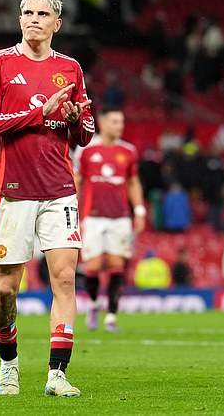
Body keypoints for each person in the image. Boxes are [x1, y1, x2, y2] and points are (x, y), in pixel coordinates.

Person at [0, 0, 95, 397]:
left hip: (60, 189)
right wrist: (38, 114)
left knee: (64, 278)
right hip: (13, 191)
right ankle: (8, 363)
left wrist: (77, 120)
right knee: (6, 289)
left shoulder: (72, 69)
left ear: (57, 24)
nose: (33, 19)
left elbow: (86, 134)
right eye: (27, 12)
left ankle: (56, 374)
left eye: (42, 14)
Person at [74, 107, 145, 333]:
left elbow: (133, 182)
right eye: (115, 121)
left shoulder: (129, 151)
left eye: (121, 122)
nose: (119, 126)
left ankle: (111, 317)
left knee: (117, 265)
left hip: (120, 217)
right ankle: (95, 304)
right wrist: (72, 209)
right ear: (102, 124)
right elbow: (78, 180)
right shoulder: (86, 150)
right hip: (92, 217)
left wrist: (140, 211)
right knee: (92, 267)